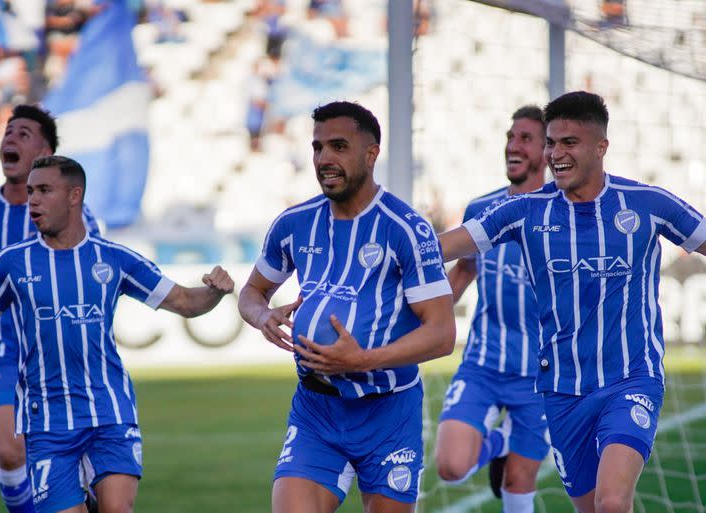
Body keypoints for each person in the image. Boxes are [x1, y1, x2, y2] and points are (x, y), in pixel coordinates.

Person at [437, 91, 706, 513]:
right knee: (590, 507)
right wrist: (384, 250)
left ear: (601, 147)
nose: (556, 153)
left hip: (630, 379)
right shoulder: (523, 211)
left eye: (569, 143)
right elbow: (444, 248)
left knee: (613, 502)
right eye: (551, 142)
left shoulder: (648, 204)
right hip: (561, 391)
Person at [0, 155, 235, 513]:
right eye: (31, 191)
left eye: (45, 190)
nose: (32, 200)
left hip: (109, 411)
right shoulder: (12, 264)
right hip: (47, 421)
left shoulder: (114, 259)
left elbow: (186, 302)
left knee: (116, 509)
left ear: (74, 195)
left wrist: (215, 292)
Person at [238, 101, 456, 513]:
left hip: (388, 412)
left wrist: (362, 359)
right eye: (318, 147)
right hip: (316, 409)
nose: (324, 159)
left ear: (371, 154)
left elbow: (442, 334)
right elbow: (251, 292)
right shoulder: (293, 223)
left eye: (338, 146)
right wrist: (263, 315)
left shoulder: (406, 229)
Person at [0, 104, 100, 513]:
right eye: (8, 132)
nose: (10, 138)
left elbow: (96, 269)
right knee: (11, 452)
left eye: (24, 134)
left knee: (85, 476)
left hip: (58, 351)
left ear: (45, 153)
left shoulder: (71, 212)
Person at [434, 105, 550, 513]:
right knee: (451, 467)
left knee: (517, 486)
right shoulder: (480, 209)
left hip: (542, 377)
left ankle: (514, 437)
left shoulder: (566, 214)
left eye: (525, 139)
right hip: (483, 365)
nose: (513, 146)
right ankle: (503, 438)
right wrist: (422, 321)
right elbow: (463, 272)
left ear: (548, 152)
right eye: (510, 137)